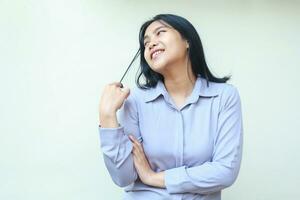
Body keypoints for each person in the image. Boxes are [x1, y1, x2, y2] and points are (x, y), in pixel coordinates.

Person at [98, 14, 243, 200]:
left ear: (187, 41)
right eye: (146, 42)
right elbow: (123, 177)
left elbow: (225, 171)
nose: (150, 44)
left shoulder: (224, 97)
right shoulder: (135, 100)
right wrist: (107, 116)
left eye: (160, 33)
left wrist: (153, 177)